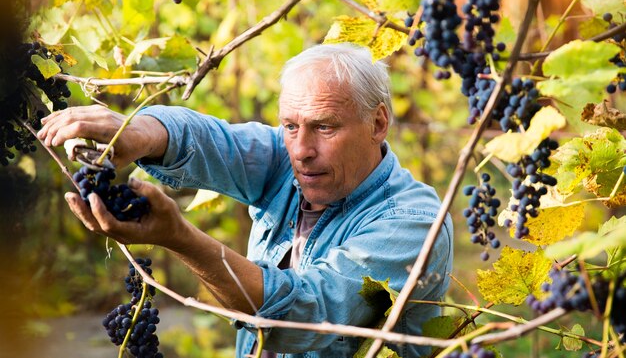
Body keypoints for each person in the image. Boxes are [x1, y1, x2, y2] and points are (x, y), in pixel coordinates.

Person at [37, 43, 453, 358]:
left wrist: (180, 238)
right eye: (290, 125)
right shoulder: (288, 159)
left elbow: (303, 312)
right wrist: (138, 132)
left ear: (378, 122)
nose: (301, 149)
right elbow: (209, 139)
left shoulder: (414, 222)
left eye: (324, 128)